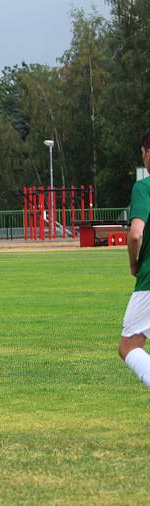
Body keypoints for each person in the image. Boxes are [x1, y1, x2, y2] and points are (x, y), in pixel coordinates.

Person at [119, 129, 150, 386]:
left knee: (129, 345)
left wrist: (133, 265)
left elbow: (135, 235)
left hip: (149, 280)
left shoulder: (144, 187)